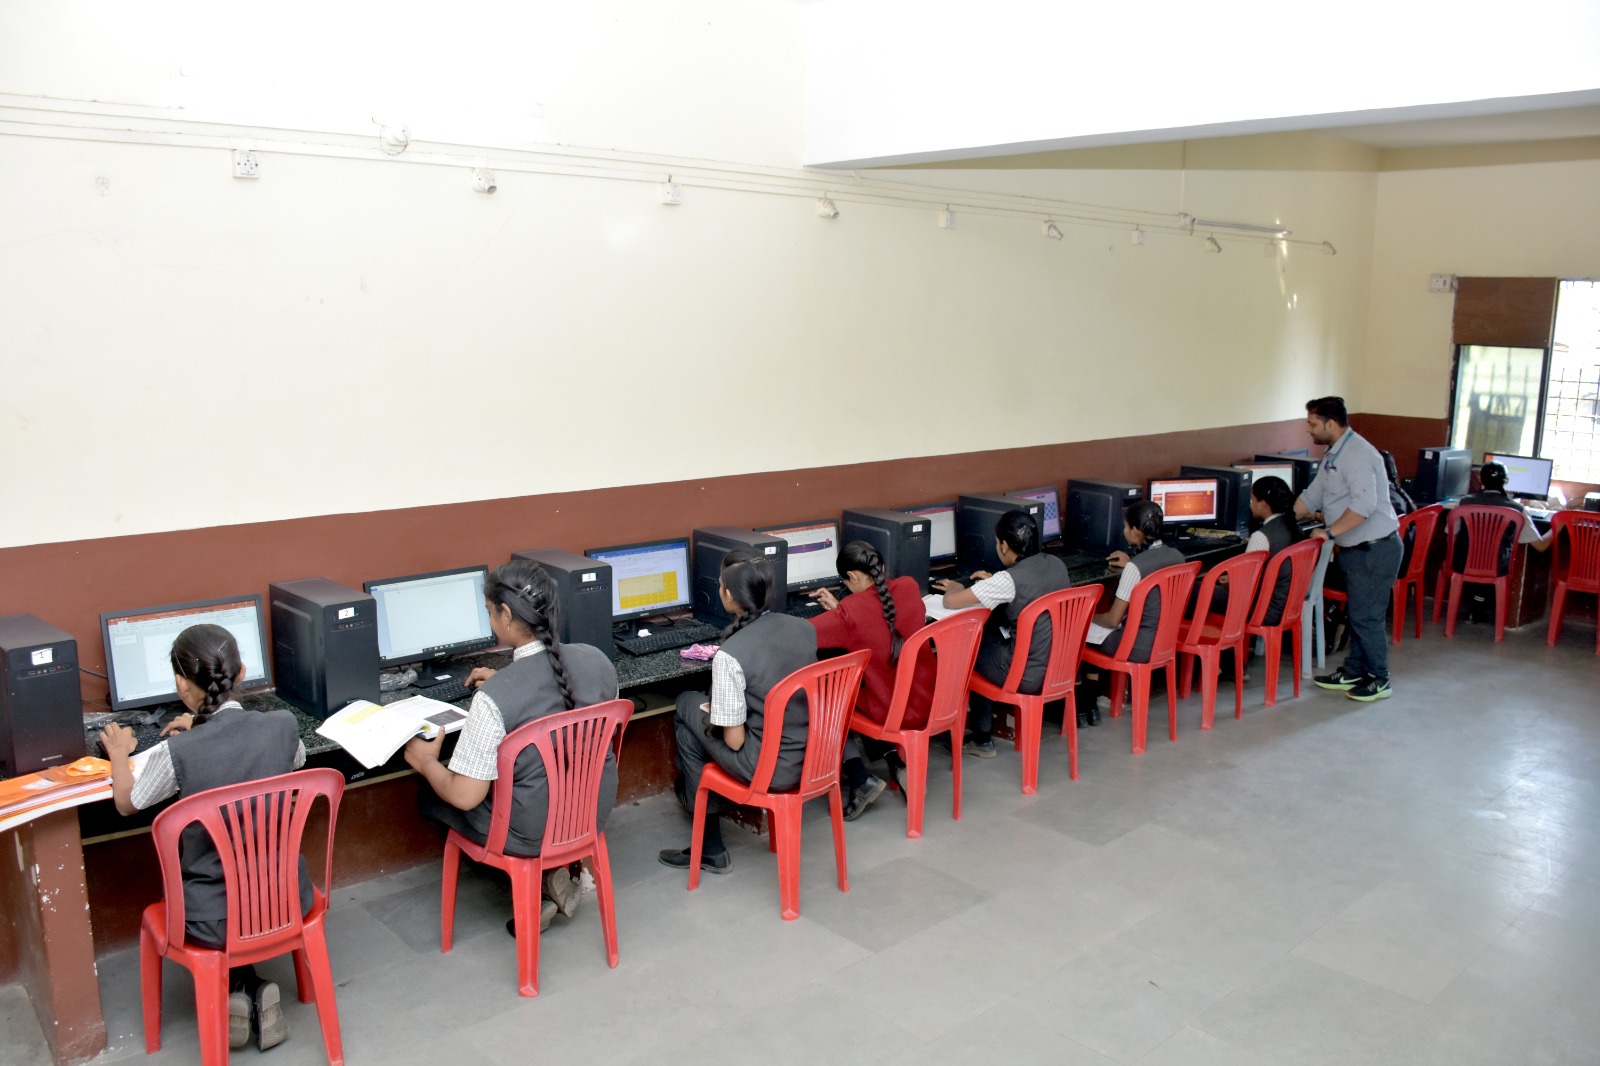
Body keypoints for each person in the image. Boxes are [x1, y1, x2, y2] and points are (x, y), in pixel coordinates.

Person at [99, 624, 309, 1053]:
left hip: (211, 919)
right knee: (240, 882)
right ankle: (251, 987)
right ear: (242, 672)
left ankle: (240, 989)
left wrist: (119, 755)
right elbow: (296, 759)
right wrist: (203, 726)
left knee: (206, 894)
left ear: (181, 685)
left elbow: (127, 803)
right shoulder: (284, 725)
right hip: (287, 899)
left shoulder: (178, 753)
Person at [405, 558, 619, 938]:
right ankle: (551, 877)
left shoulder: (494, 698)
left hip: (530, 831)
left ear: (505, 614)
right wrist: (505, 680)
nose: (490, 620)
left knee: (432, 795)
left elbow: (465, 796)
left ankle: (531, 891)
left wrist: (425, 762)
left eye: (489, 611)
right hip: (592, 814)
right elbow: (553, 696)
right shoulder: (598, 661)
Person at [660, 548, 817, 873]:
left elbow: (734, 741)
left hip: (768, 769)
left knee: (686, 706)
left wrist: (716, 712)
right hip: (814, 759)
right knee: (695, 724)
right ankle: (708, 844)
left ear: (729, 596)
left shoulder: (731, 654)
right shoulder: (804, 628)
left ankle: (710, 845)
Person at [809, 540, 936, 818]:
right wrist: (842, 609)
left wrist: (839, 613)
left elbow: (805, 632)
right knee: (868, 684)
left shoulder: (850, 613)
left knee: (829, 692)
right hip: (930, 700)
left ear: (852, 577)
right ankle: (896, 763)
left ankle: (859, 779)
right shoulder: (909, 586)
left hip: (892, 710)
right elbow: (877, 620)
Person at [933, 509, 1069, 755]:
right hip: (1058, 668)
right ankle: (980, 736)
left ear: (1004, 546)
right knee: (992, 634)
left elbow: (950, 602)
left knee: (972, 644)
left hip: (1027, 675)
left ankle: (980, 737)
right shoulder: (1057, 564)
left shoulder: (1009, 580)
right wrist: (993, 582)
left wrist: (956, 587)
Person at [1295, 396, 1402, 702]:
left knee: (1367, 618)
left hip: (1374, 550)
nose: (1308, 430)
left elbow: (1363, 507)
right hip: (1357, 550)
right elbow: (1314, 494)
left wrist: (1329, 532)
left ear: (1330, 424)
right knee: (1357, 615)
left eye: (1312, 424)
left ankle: (1380, 678)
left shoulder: (1358, 455)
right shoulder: (1334, 454)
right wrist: (1284, 518)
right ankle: (1354, 670)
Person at [1078, 500, 1188, 720]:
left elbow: (1112, 619)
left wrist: (1087, 618)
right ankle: (1091, 707)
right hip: (1164, 643)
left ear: (1136, 531)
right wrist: (1131, 562)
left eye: (1126, 527)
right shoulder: (1177, 557)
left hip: (1137, 647)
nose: (1124, 531)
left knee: (1082, 634)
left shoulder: (1135, 568)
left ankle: (1086, 706)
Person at [1209, 475, 1306, 626]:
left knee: (1197, 589)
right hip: (1288, 607)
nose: (1250, 505)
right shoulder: (1295, 529)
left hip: (1264, 610)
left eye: (1252, 500)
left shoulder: (1262, 536)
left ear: (1262, 504)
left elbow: (1245, 586)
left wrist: (1230, 583)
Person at [1451, 459, 1554, 574]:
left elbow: (1451, 536)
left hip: (1461, 566)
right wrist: (1558, 524)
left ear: (1480, 479)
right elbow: (1541, 546)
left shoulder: (1462, 503)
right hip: (1498, 569)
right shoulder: (1518, 509)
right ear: (1507, 481)